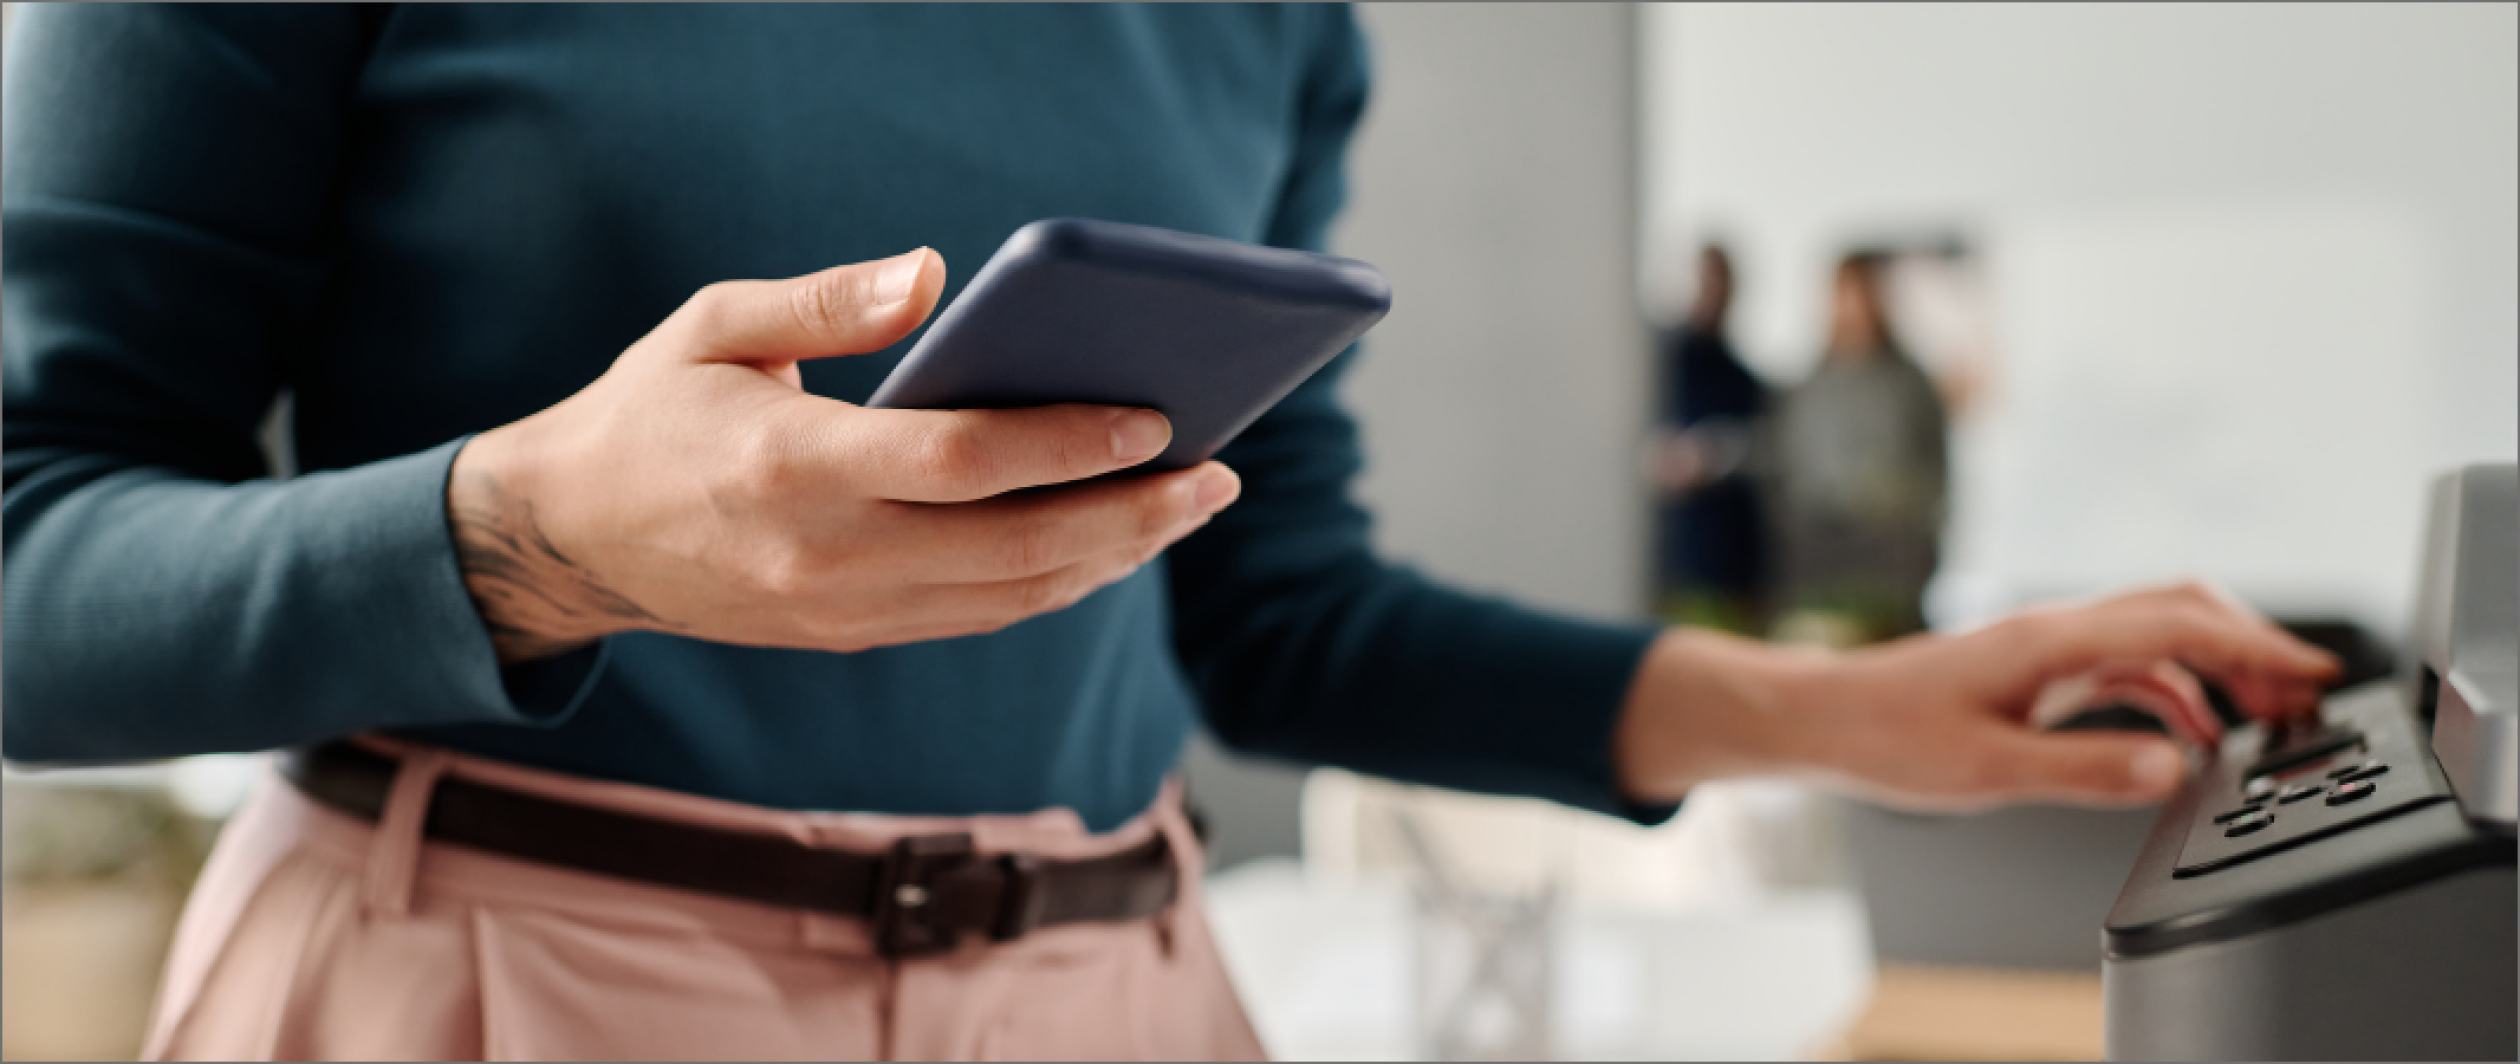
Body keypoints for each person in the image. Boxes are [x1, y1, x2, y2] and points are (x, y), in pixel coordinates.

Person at [2, 7, 2336, 1061]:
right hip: (495, 997)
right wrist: (526, 536)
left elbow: (1275, 607)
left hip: (1126, 992)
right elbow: (31, 562)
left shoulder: (1265, 20)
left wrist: (1843, 712)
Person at [1767, 252, 1952, 646]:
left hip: (1892, 566)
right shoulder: (1808, 387)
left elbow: (1936, 476)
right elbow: (1786, 475)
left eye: (1861, 293)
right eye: (1842, 294)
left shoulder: (1909, 385)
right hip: (1819, 565)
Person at [1651, 242, 1772, 634]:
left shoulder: (1745, 381)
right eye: (1701, 280)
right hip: (1670, 557)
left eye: (1717, 282)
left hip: (1731, 561)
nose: (1708, 292)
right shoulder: (1655, 368)